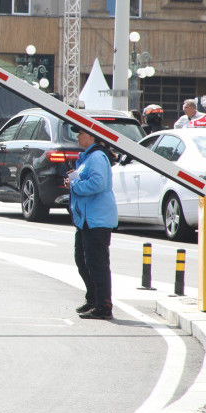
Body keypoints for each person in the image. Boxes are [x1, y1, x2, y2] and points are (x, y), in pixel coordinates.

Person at [65, 126, 117, 320]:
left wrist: (74, 184)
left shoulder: (96, 157)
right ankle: (93, 299)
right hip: (86, 219)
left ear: (90, 136)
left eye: (80, 133)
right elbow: (88, 180)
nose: (77, 136)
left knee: (97, 263)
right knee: (83, 261)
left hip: (97, 219)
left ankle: (104, 305)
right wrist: (74, 180)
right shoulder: (88, 157)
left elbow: (98, 184)